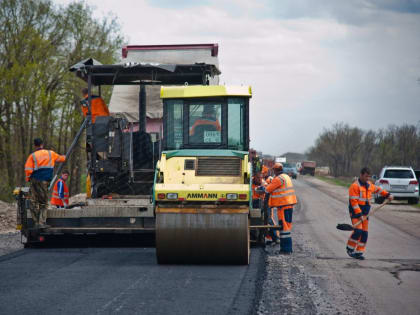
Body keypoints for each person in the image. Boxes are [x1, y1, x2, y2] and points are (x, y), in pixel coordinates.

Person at [346, 167, 393, 260]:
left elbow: (379, 190)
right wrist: (359, 215)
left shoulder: (369, 185)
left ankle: (359, 252)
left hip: (366, 214)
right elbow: (353, 202)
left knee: (364, 233)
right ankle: (350, 248)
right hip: (356, 213)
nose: (368, 178)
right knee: (358, 231)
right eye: (366, 176)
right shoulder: (355, 186)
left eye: (369, 177)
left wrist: (388, 195)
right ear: (361, 175)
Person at [24, 138, 66, 228]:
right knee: (44, 203)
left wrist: (28, 179)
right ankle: (41, 223)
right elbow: (61, 159)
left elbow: (28, 169)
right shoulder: (51, 153)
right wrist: (64, 157)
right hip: (44, 181)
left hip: (34, 180)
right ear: (42, 144)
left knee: (33, 201)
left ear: (35, 145)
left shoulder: (32, 156)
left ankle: (36, 222)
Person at [263, 162, 297, 253]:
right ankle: (288, 249)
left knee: (284, 228)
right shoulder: (286, 177)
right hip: (289, 204)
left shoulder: (278, 179)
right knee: (287, 227)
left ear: (275, 170)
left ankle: (286, 250)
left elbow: (267, 189)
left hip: (283, 206)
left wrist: (260, 188)